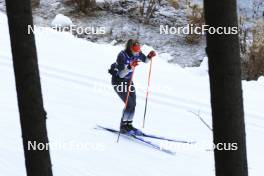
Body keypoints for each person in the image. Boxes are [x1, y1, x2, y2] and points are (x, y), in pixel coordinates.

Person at [109, 39, 156, 133]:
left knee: (133, 103)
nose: (137, 53)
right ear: (130, 49)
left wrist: (149, 56)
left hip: (129, 81)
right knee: (129, 103)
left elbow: (145, 60)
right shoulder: (122, 55)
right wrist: (130, 67)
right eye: (135, 51)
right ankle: (123, 126)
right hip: (118, 82)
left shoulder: (137, 53)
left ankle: (129, 125)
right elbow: (121, 74)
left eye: (138, 51)